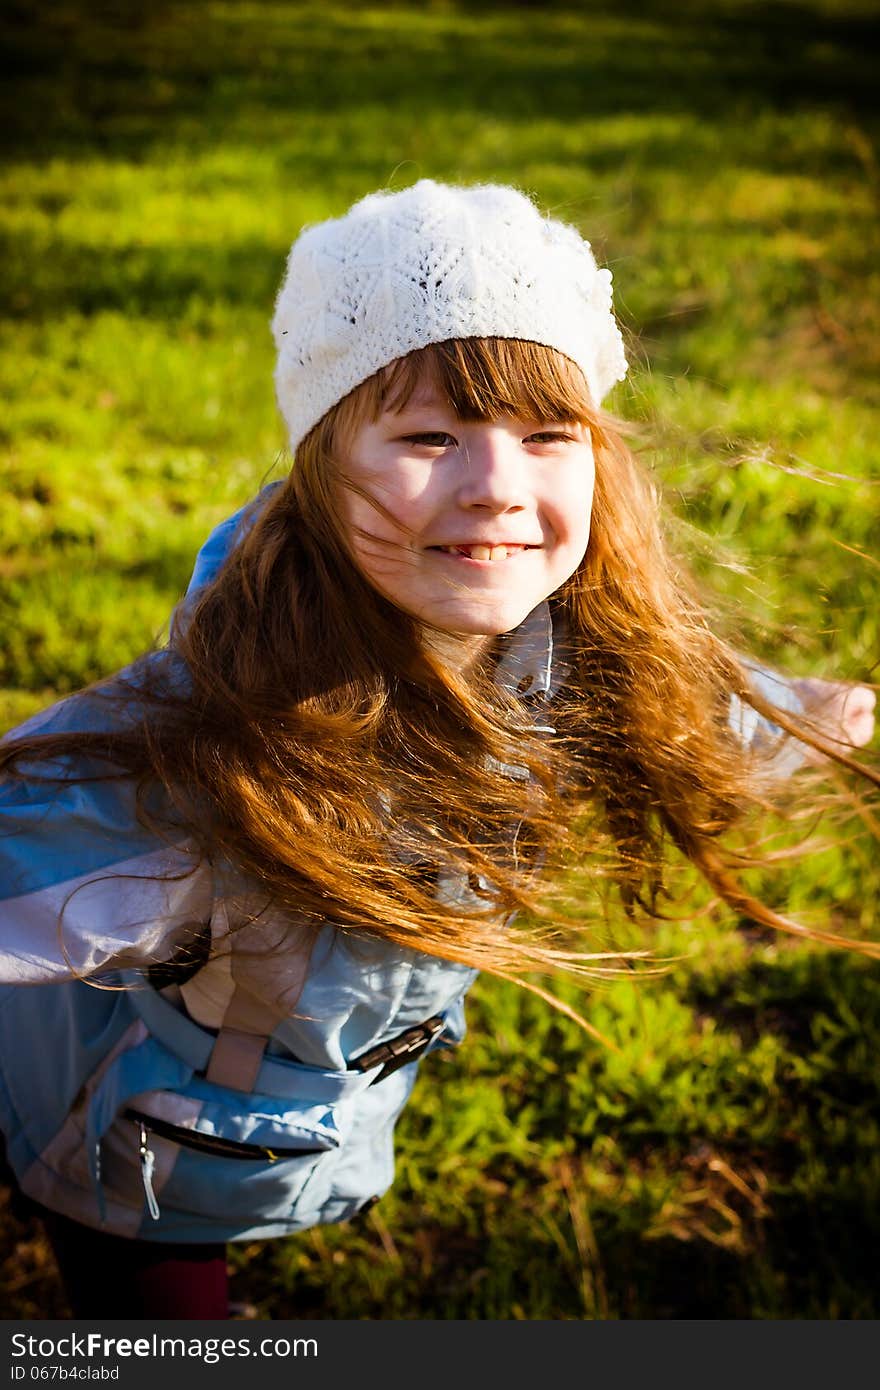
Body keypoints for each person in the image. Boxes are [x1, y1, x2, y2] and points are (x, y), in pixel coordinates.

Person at [0, 179, 875, 1320]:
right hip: (121, 1151)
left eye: (547, 435)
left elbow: (696, 715)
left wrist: (828, 711)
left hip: (272, 1132)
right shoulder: (205, 758)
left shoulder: (573, 657)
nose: (498, 487)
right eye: (428, 436)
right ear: (321, 463)